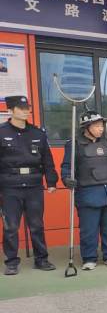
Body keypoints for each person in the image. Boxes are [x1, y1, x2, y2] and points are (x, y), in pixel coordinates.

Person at [61, 111, 107, 270]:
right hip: (88, 193)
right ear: (86, 127)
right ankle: (89, 258)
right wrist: (67, 178)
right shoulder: (74, 144)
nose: (101, 129)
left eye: (101, 126)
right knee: (89, 230)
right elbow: (67, 166)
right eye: (97, 126)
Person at [0, 95, 58, 275]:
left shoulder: (37, 133)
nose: (26, 111)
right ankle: (11, 262)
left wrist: (51, 181)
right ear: (10, 110)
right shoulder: (1, 132)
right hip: (10, 186)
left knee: (36, 225)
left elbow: (47, 159)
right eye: (21, 108)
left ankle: (41, 259)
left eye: (27, 108)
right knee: (11, 227)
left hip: (33, 185)